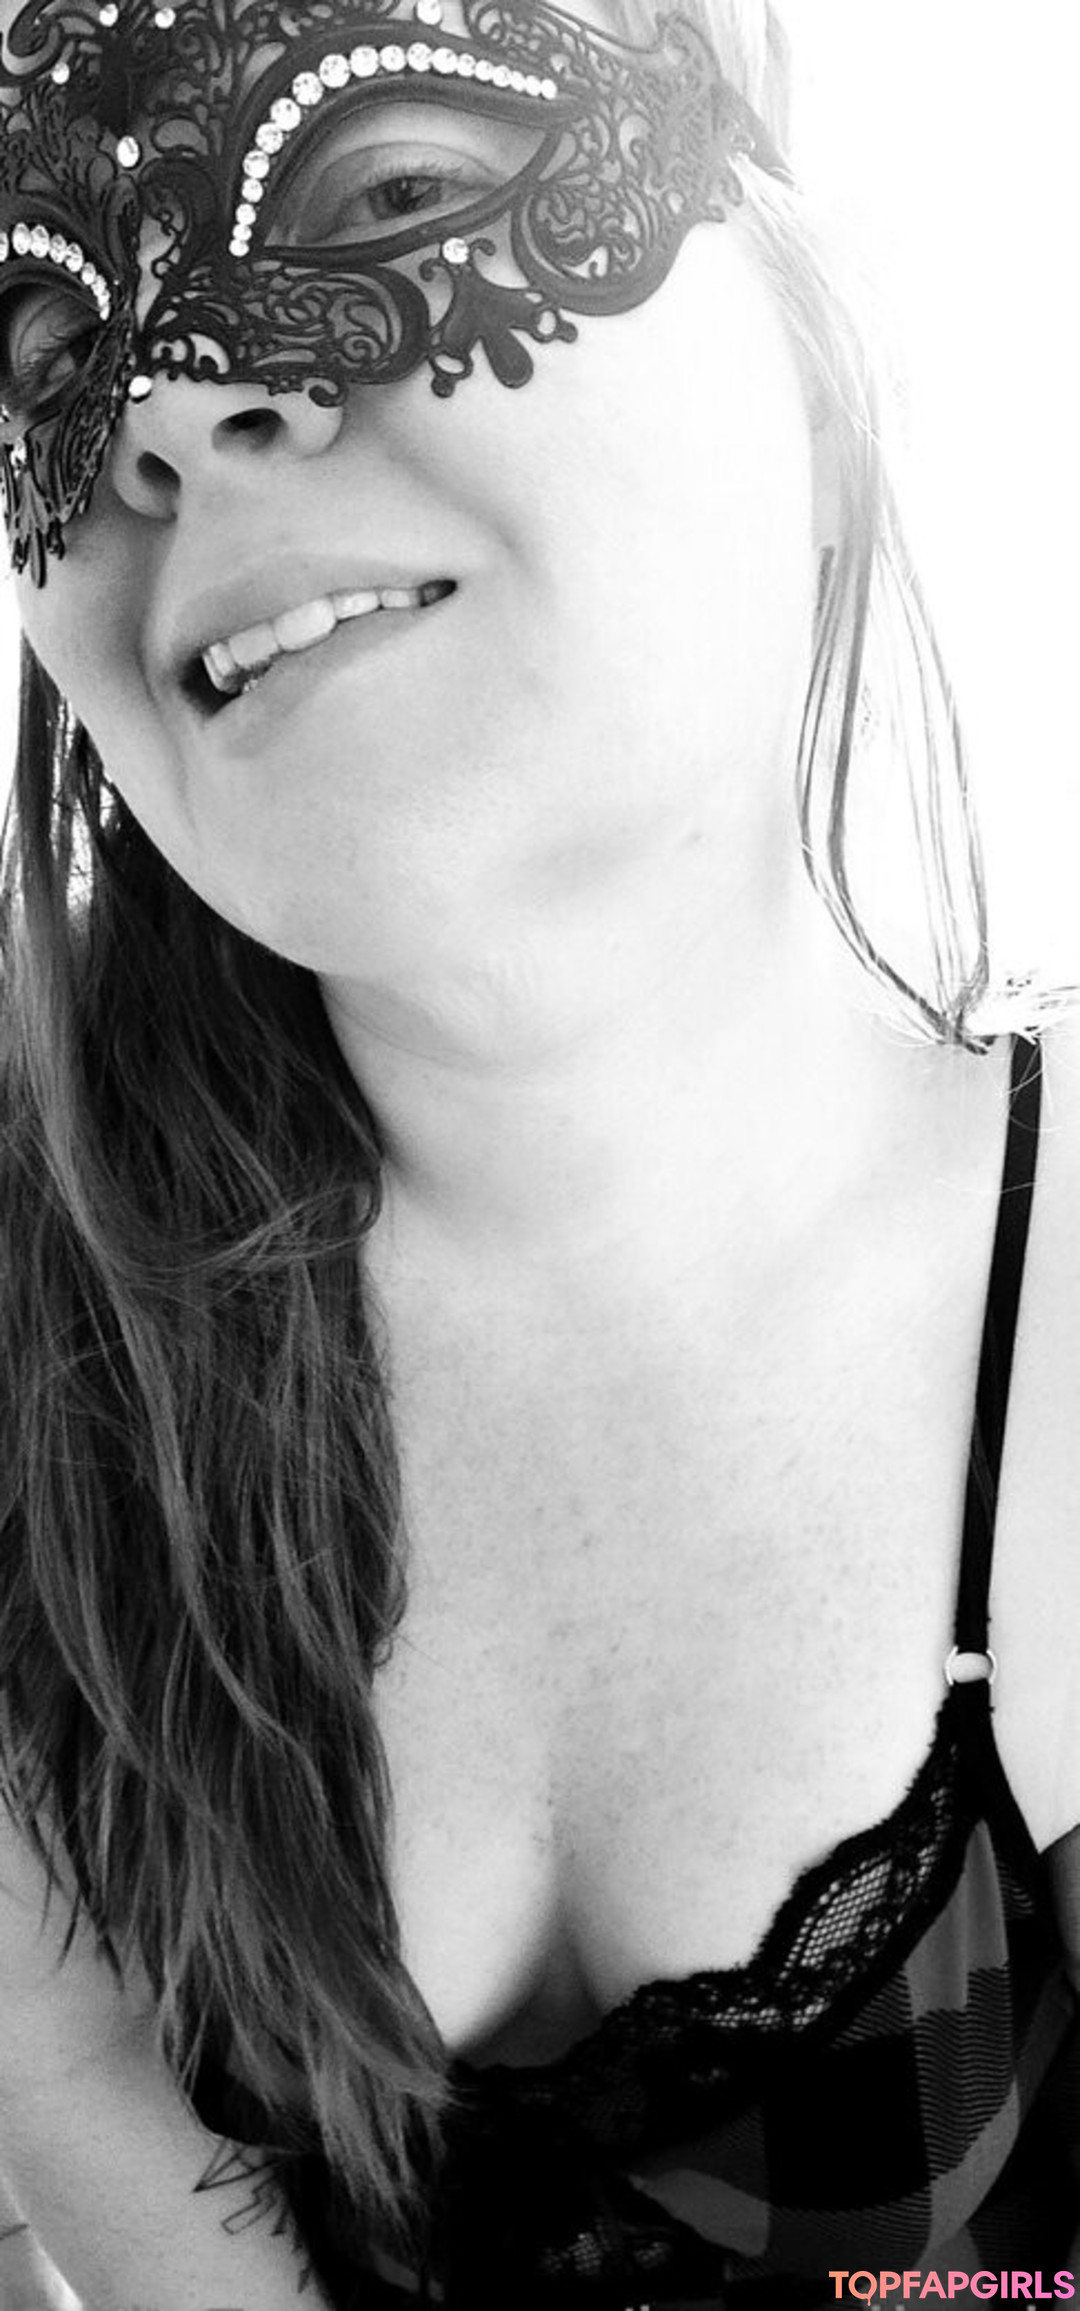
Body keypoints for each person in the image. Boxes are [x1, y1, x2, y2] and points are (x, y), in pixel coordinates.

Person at [1, 0, 1077, 2303]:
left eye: (397, 189)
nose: (169, 402)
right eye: (46, 342)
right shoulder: (40, 1433)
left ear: (815, 356)